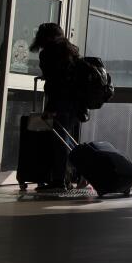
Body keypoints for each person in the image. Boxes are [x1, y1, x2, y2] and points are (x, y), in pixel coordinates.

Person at [28, 23, 86, 192]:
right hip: (76, 103)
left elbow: (56, 83)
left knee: (60, 142)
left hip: (61, 103)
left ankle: (60, 180)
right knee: (68, 140)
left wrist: (51, 107)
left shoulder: (49, 53)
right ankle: (78, 174)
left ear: (44, 37)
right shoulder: (71, 50)